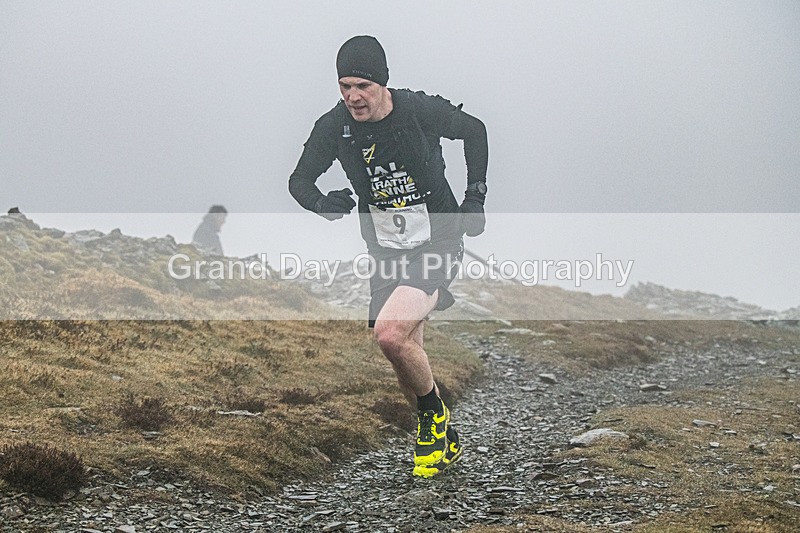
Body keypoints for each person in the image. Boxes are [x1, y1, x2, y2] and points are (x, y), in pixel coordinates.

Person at [288, 35, 488, 478]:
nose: (353, 97)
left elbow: (475, 131)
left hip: (438, 238)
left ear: (382, 82)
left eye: (363, 85)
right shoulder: (334, 126)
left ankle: (432, 418)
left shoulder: (418, 110)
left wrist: (475, 197)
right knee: (405, 346)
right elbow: (299, 180)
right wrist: (323, 204)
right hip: (383, 249)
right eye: (345, 86)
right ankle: (443, 435)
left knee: (390, 334)